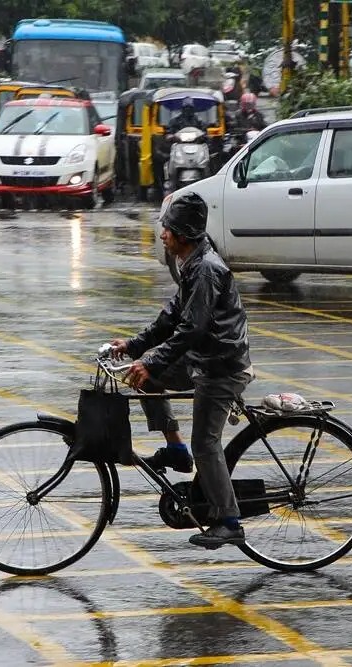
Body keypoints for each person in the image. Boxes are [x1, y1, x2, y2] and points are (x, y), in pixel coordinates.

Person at [108, 193, 255, 549]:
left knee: (205, 444)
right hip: (202, 359)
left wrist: (151, 360)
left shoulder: (206, 269)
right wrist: (134, 347)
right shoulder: (191, 262)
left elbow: (192, 329)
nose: (162, 234)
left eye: (168, 229)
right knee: (145, 379)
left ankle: (229, 521)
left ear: (183, 234)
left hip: (221, 367)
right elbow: (172, 316)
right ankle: (176, 451)